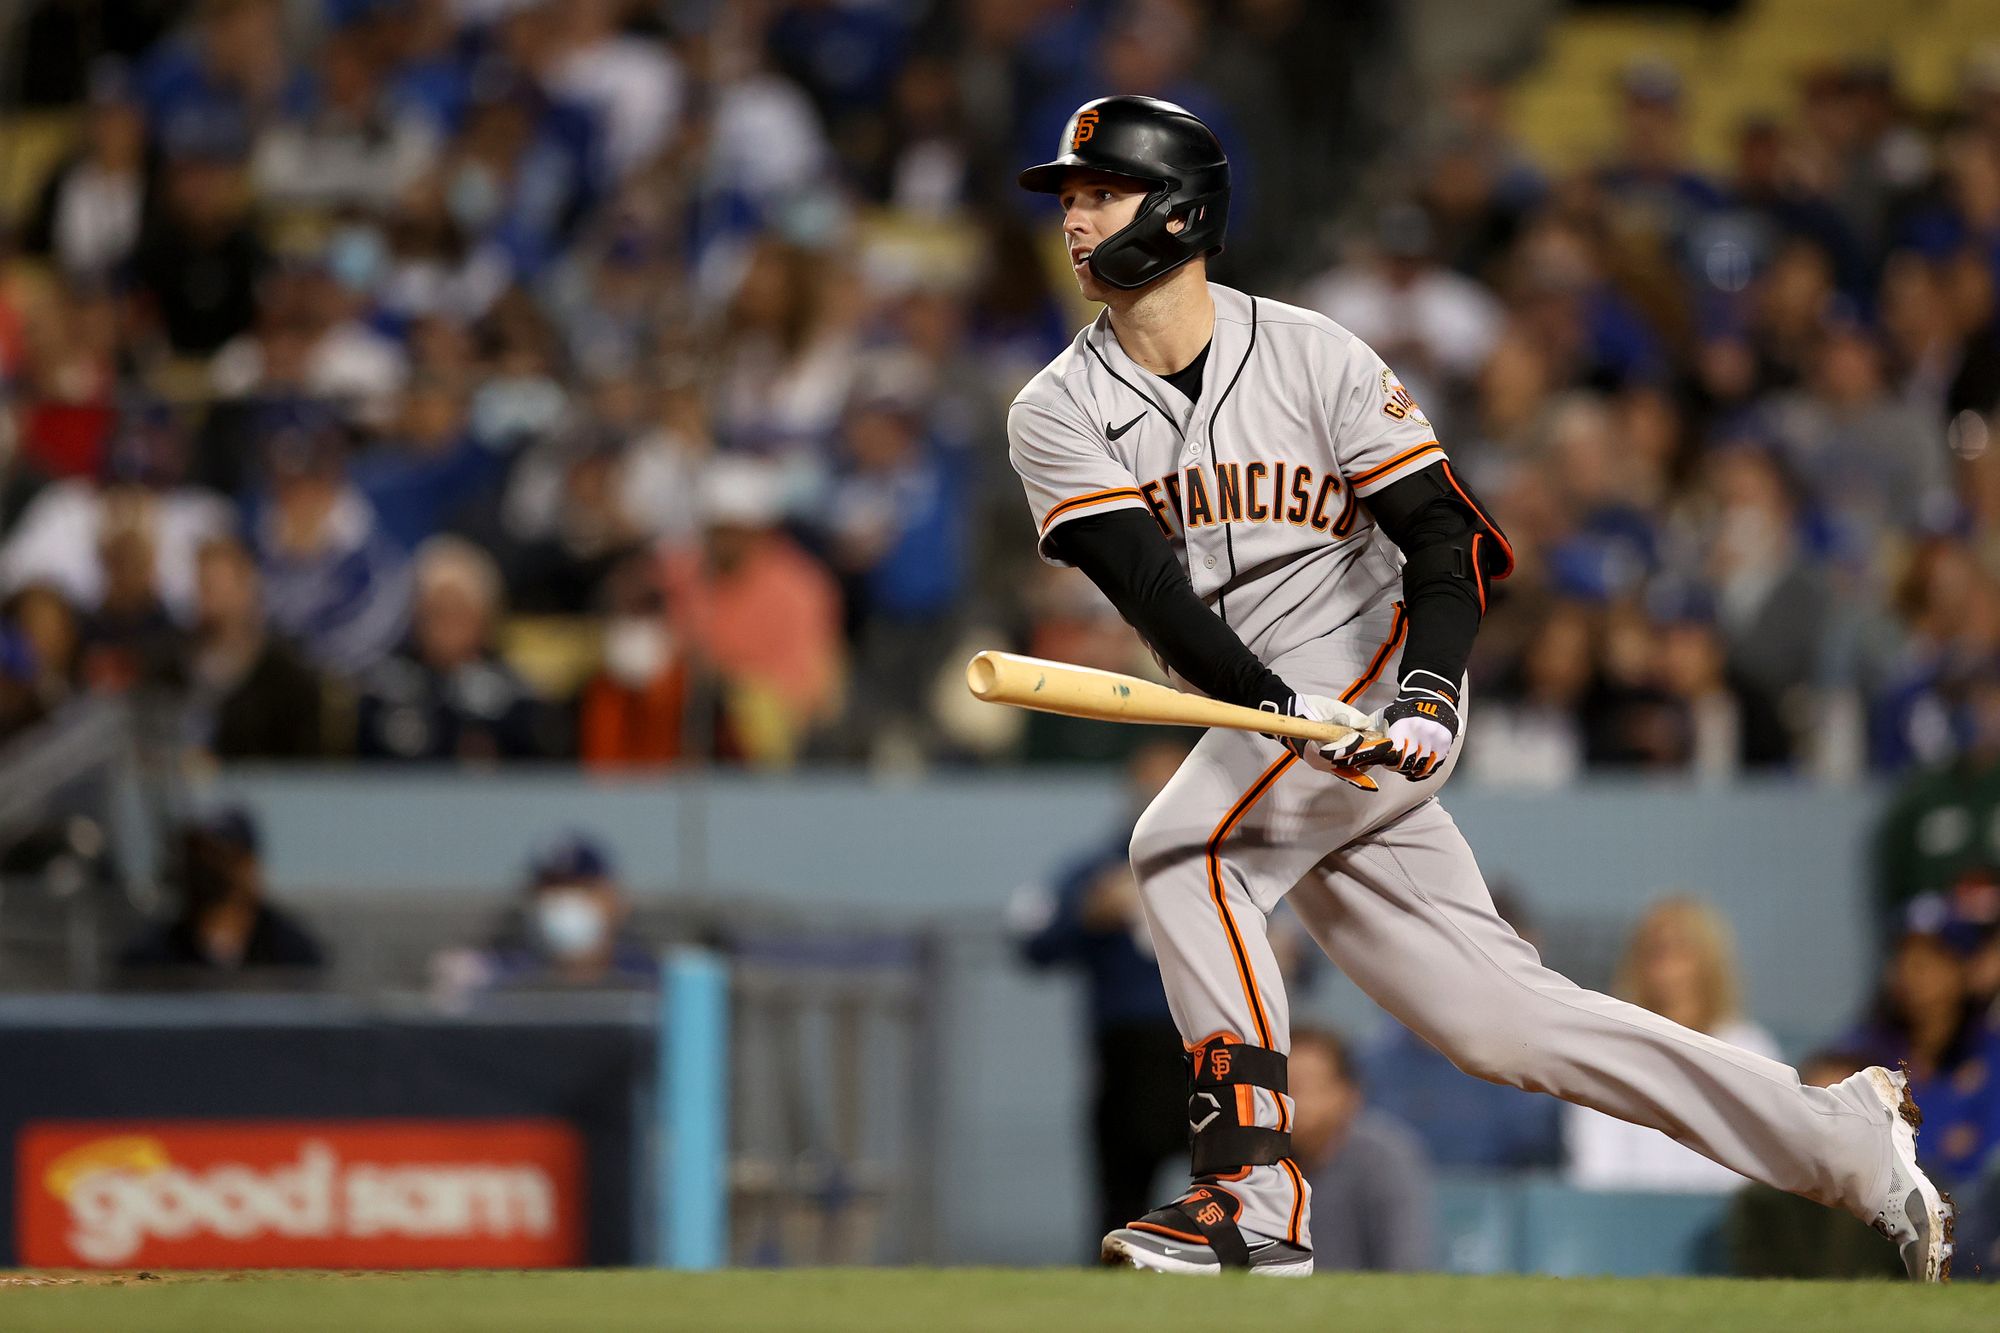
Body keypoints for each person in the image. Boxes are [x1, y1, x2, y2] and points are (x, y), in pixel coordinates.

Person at [1006, 95, 1950, 1279]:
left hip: (1366, 663)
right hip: (1254, 703)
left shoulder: (1312, 351)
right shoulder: (1052, 409)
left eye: (1100, 191)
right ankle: (1845, 1142)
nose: (1076, 216)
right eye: (1070, 197)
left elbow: (1442, 536)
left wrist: (1430, 694)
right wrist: (1271, 704)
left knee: (1179, 848)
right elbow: (1150, 591)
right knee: (1502, 1024)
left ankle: (1249, 1191)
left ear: (1182, 207)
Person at [1012, 737, 1196, 1251]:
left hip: (1214, 1052)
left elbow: (1299, 951)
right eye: (1149, 782)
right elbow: (1033, 941)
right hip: (1127, 1055)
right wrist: (1090, 915)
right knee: (1120, 1199)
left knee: (1231, 1188)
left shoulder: (1230, 863)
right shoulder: (1096, 871)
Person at [1563, 896, 1782, 1192]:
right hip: (1628, 1220)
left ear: (1708, 963)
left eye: (1682, 952)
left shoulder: (1751, 1049)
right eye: (1655, 953)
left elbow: (1764, 1160)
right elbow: (1595, 1166)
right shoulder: (1611, 1050)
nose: (1668, 969)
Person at [1725, 1049, 1909, 1279]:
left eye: (1843, 1111)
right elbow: (1762, 1283)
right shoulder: (1763, 1200)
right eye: (1819, 1110)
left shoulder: (1913, 1196)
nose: (1831, 1128)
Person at [432, 831, 657, 995]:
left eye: (581, 888)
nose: (564, 902)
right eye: (552, 889)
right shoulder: (489, 975)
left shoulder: (651, 978)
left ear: (615, 900)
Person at [1288, 1027, 1433, 1273]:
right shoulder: (1245, 1160)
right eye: (1281, 1086)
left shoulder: (1385, 1158)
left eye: (1307, 1086)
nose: (1292, 1101)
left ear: (1350, 1094)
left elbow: (1407, 1270)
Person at [119, 807, 326, 979]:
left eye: (220, 857)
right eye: (199, 856)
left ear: (249, 867)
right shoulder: (152, 956)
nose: (207, 870)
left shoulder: (292, 953)